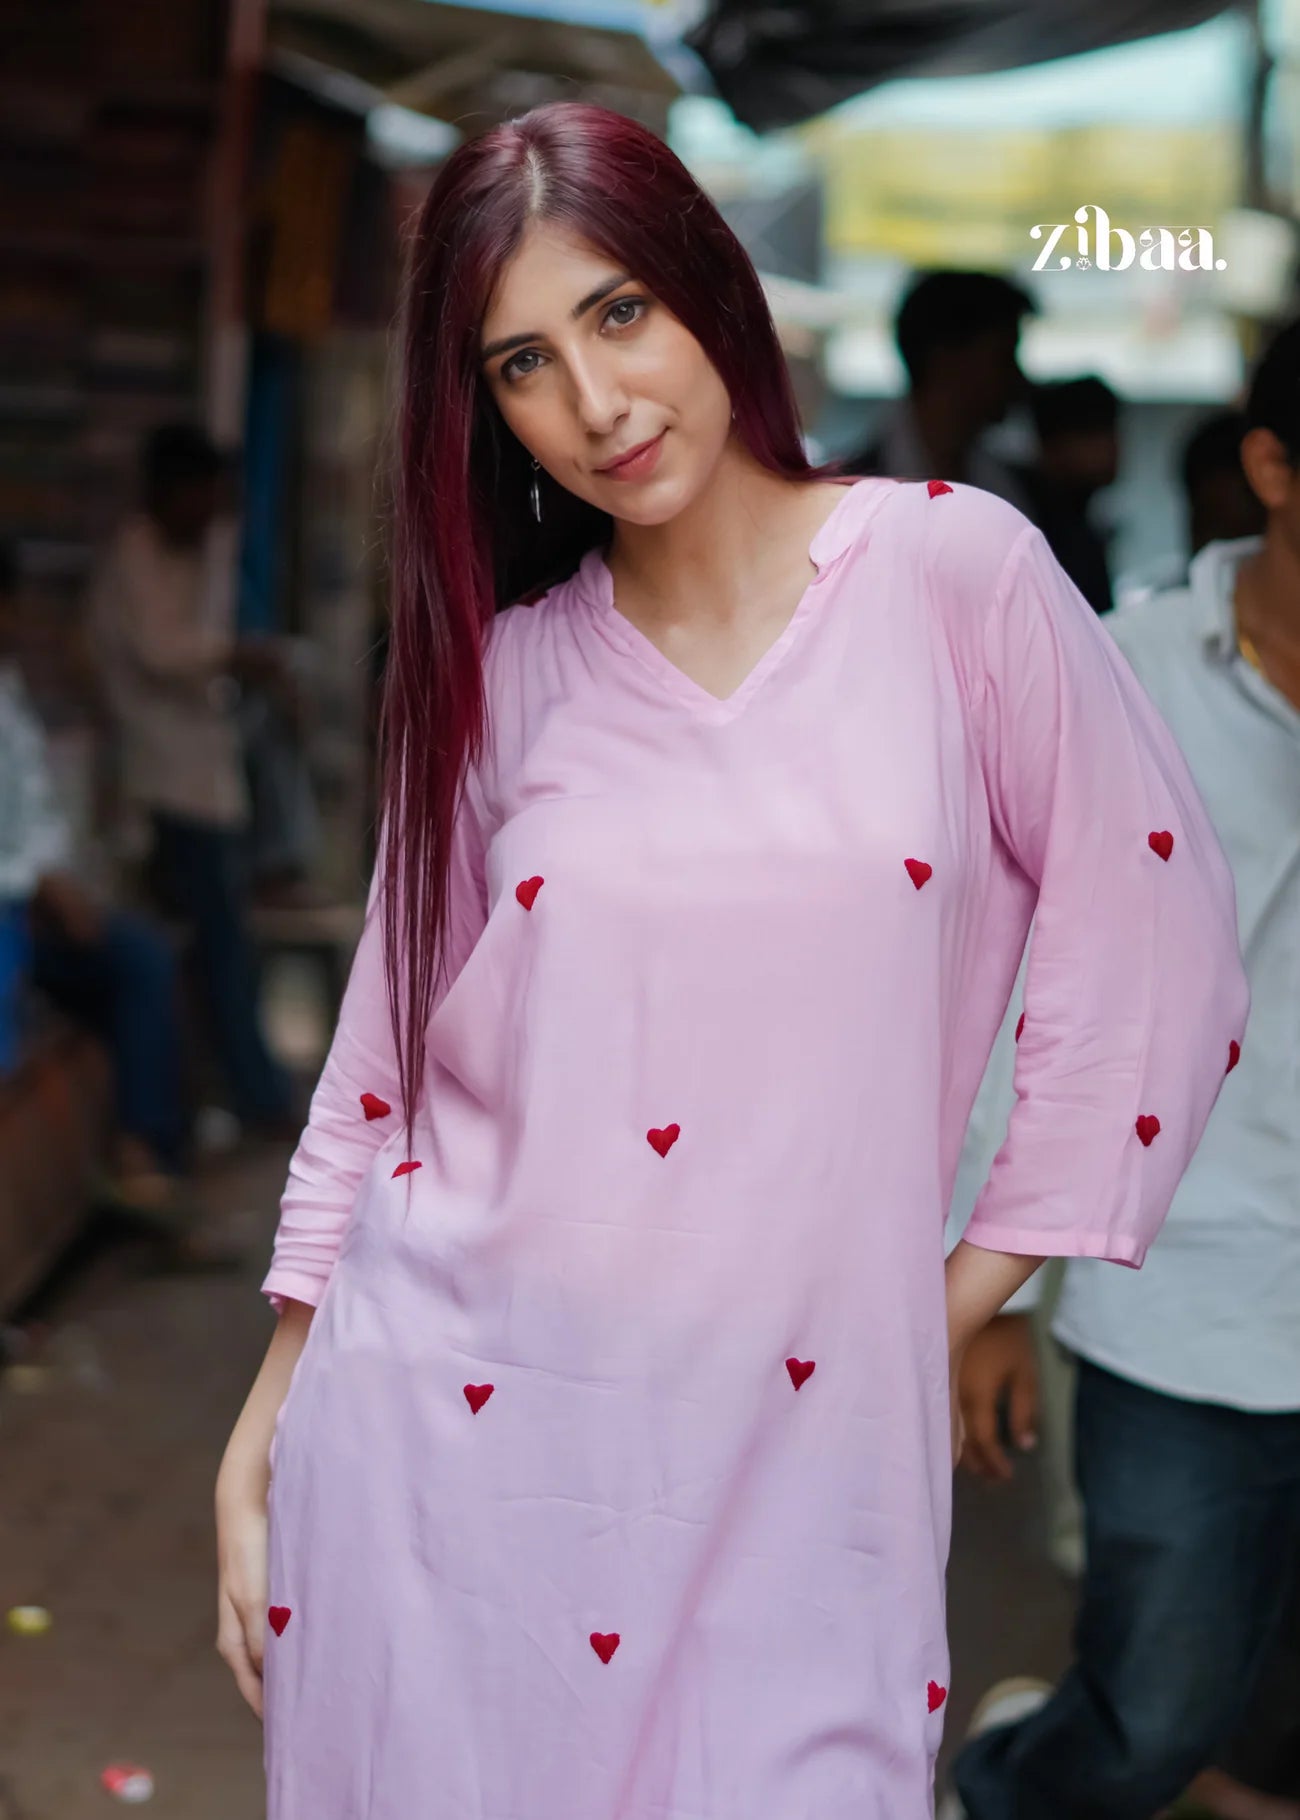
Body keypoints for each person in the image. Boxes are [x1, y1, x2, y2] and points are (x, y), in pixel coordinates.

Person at [214, 104, 1246, 1820]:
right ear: (485, 408)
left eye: (621, 313)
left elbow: (1157, 929)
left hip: (802, 1466)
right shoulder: (502, 674)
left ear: (712, 289)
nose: (600, 402)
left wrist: (959, 1291)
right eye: (526, 361)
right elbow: (385, 1059)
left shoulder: (952, 576)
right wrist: (271, 1406)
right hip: (457, 1447)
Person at [946, 318, 1300, 1820]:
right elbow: (1027, 990)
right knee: (1151, 1716)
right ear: (1276, 468)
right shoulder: (1124, 678)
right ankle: (1008, 1780)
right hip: (1191, 1299)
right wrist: (996, 1288)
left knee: (1262, 1734)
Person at [89, 424, 294, 1137]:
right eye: (204, 494)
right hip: (166, 788)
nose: (214, 510)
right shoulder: (136, 557)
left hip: (198, 784)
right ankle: (252, 1096)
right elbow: (160, 653)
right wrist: (237, 656)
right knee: (213, 950)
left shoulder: (193, 558)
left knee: (215, 946)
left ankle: (236, 1092)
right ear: (170, 490)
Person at [0, 542, 187, 1206]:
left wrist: (52, 881)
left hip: (27, 908)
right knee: (137, 961)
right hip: (16, 912)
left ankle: (143, 1150)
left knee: (144, 957)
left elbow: (33, 818)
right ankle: (142, 1151)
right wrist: (41, 883)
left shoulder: (9, 688)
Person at [841, 268, 1037, 512]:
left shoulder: (1024, 487)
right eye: (1004, 359)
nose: (1019, 378)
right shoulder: (846, 496)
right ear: (947, 360)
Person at [1011, 375, 1119, 615]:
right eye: (1091, 434)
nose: (1112, 447)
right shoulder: (1030, 520)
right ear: (1052, 445)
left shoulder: (1083, 523)